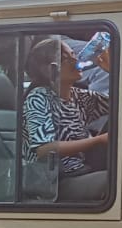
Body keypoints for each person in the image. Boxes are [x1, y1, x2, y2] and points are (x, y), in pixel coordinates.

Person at [22, 38, 110, 200]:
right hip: (54, 182)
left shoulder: (78, 96)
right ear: (51, 69)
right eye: (67, 58)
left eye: (74, 55)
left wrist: (111, 71)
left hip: (82, 170)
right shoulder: (38, 97)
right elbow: (44, 149)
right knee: (118, 182)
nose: (76, 60)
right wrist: (98, 141)